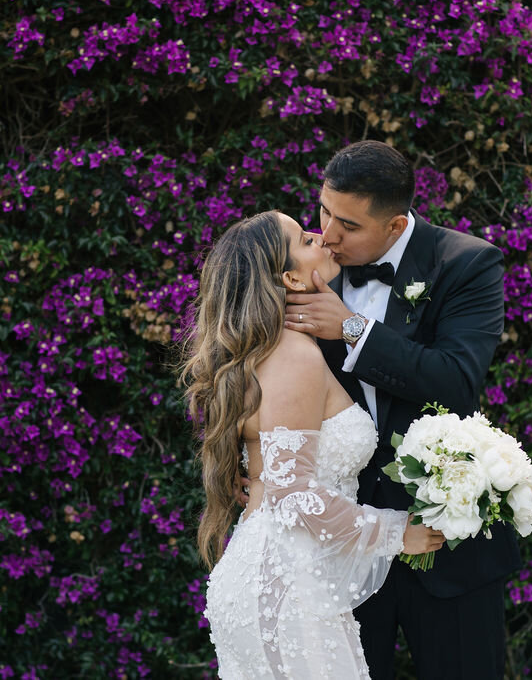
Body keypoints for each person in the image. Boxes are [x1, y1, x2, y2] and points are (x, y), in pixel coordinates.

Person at [284, 140, 523, 679]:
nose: (328, 234)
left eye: (348, 224)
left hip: (447, 539)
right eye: (323, 211)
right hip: (343, 543)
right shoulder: (309, 262)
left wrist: (350, 328)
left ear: (394, 227)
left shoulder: (467, 263)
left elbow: (456, 382)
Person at [180, 210, 446, 679]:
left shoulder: (273, 349)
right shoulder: (292, 354)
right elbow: (293, 496)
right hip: (287, 581)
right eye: (306, 239)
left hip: (284, 574)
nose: (322, 238)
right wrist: (395, 531)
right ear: (289, 277)